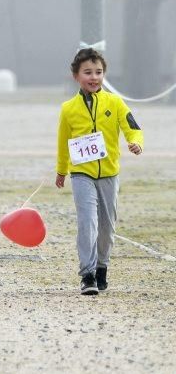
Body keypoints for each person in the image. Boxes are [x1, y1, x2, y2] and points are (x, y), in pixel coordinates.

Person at [55, 47, 143, 296]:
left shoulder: (114, 102)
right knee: (87, 222)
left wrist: (136, 143)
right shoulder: (68, 109)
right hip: (81, 174)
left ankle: (102, 266)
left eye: (98, 72)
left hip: (109, 174)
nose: (93, 77)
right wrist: (61, 171)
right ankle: (88, 274)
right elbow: (63, 142)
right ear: (76, 76)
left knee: (106, 227)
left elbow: (133, 128)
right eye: (87, 72)